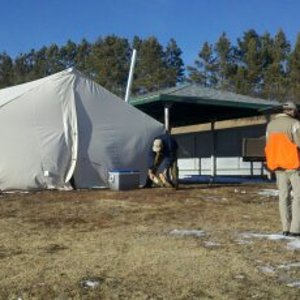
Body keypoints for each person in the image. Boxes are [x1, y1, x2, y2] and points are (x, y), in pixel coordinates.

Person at [265, 101, 300, 237]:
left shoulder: (270, 125)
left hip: (278, 166)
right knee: (298, 197)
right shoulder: (295, 124)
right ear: (292, 111)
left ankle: (285, 228)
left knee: (283, 197)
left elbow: (268, 145)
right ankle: (295, 229)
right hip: (294, 165)